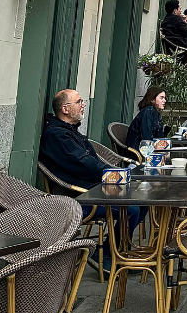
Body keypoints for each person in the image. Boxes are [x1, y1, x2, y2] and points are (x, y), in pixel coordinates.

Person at [39, 90, 141, 252]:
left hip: (94, 189)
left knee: (142, 202)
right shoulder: (57, 135)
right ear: (65, 109)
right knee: (132, 209)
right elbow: (84, 165)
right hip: (79, 198)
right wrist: (116, 175)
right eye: (79, 102)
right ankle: (110, 256)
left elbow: (90, 163)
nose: (83, 105)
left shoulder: (69, 131)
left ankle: (121, 249)